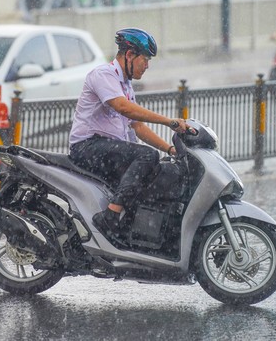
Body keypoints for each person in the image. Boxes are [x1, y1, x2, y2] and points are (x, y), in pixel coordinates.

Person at [68, 28, 188, 242]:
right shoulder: (103, 75)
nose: (147, 65)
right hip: (88, 147)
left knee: (157, 173)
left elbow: (138, 127)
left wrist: (171, 150)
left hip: (109, 149)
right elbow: (125, 108)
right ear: (130, 55)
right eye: (146, 59)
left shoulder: (126, 85)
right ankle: (111, 216)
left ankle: (131, 239)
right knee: (147, 156)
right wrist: (169, 122)